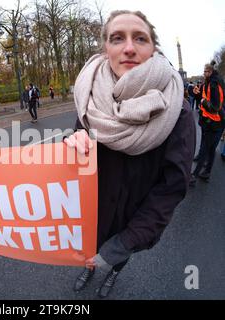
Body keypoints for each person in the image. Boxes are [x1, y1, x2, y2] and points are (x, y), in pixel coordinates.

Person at [64, 10, 195, 298]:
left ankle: (113, 273)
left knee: (117, 255)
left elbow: (172, 187)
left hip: (135, 217)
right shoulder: (90, 98)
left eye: (140, 38)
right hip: (94, 212)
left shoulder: (179, 112)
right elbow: (78, 144)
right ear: (106, 49)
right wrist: (71, 142)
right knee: (92, 250)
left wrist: (123, 243)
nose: (129, 47)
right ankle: (89, 267)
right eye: (117, 38)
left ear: (153, 49)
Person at [190, 62, 224, 184]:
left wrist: (203, 101)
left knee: (207, 148)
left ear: (210, 72)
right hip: (207, 120)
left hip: (215, 122)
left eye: (205, 71)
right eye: (203, 71)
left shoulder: (215, 84)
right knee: (207, 148)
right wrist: (197, 92)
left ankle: (196, 174)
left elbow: (215, 107)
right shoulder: (207, 83)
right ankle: (205, 169)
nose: (203, 73)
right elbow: (203, 97)